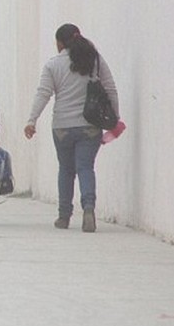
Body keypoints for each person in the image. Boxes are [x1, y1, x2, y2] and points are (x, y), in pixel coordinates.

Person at [24, 23, 119, 233]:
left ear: (59, 43)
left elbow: (43, 93)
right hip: (89, 125)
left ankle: (64, 215)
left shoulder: (53, 65)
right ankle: (88, 208)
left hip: (62, 127)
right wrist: (115, 117)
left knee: (66, 170)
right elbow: (110, 87)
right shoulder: (94, 59)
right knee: (85, 167)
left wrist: (32, 120)